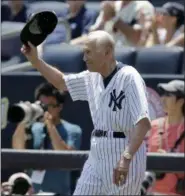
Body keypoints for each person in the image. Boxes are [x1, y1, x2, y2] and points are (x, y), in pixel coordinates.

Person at [21, 30, 151, 195]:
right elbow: (62, 83)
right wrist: (36, 61)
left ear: (107, 53)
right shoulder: (92, 77)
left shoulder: (129, 77)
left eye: (88, 52)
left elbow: (143, 122)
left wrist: (126, 158)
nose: (84, 58)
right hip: (97, 151)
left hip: (124, 147)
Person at [12, 83, 82, 195]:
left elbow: (66, 158)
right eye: (41, 105)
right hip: (33, 192)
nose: (44, 109)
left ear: (59, 106)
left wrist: (50, 125)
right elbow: (17, 149)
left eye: (49, 106)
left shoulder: (73, 130)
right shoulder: (34, 128)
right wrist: (23, 120)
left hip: (58, 193)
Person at [147, 80, 185, 195]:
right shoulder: (154, 126)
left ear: (181, 101)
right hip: (153, 193)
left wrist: (168, 162)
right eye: (163, 94)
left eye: (168, 95)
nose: (163, 99)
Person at [71, 0, 154, 46]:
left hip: (128, 61)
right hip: (105, 58)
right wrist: (104, 20)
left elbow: (140, 40)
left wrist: (115, 18)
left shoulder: (144, 6)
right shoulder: (111, 5)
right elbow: (92, 36)